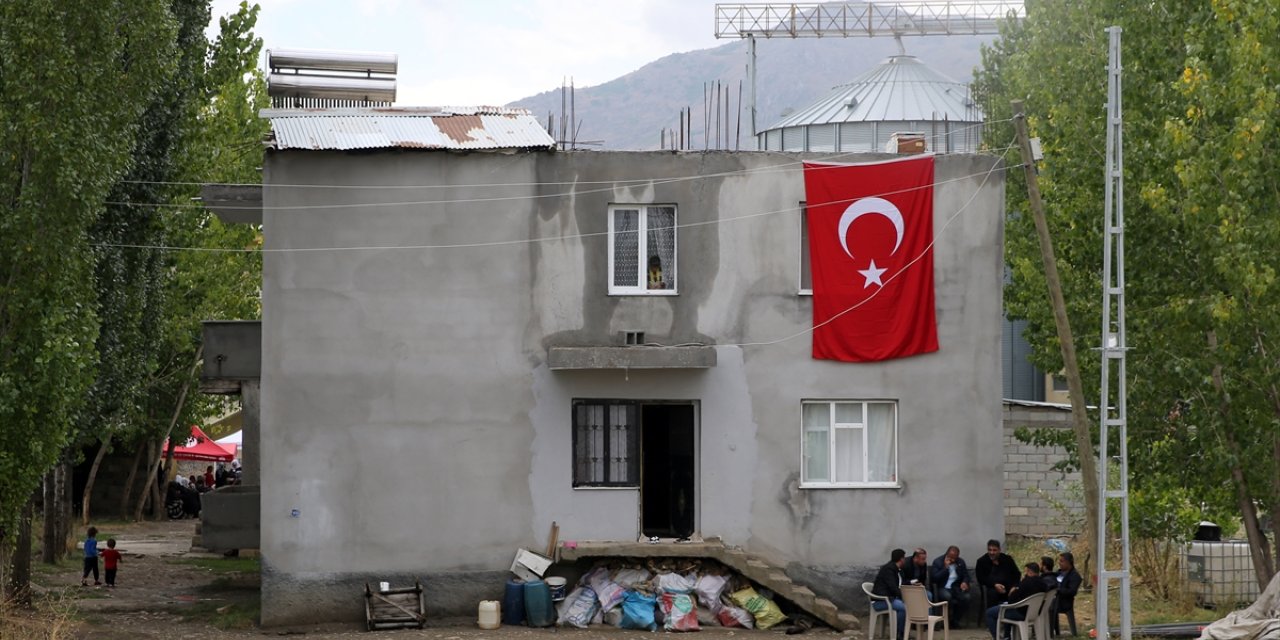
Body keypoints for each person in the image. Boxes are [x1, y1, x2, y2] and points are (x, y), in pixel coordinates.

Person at [985, 563, 1048, 640]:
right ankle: (1007, 636)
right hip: (1034, 613)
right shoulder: (1043, 583)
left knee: (989, 613)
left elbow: (1011, 600)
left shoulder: (1026, 582)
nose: (1025, 574)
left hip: (1020, 613)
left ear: (1029, 571)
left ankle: (998, 637)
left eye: (1026, 572)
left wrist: (1013, 591)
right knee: (1003, 606)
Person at [931, 545, 972, 627]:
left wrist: (964, 582)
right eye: (950, 557)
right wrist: (945, 568)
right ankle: (945, 621)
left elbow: (966, 576)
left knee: (967, 597)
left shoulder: (960, 562)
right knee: (947, 596)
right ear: (947, 554)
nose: (952, 560)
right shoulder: (938, 562)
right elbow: (934, 578)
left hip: (955, 587)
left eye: (954, 558)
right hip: (943, 587)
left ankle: (954, 621)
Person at [871, 548, 908, 640]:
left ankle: (901, 632)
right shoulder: (889, 570)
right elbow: (893, 588)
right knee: (904, 608)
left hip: (889, 599)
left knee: (906, 605)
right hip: (880, 601)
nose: (905, 560)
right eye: (904, 558)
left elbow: (901, 584)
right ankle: (898, 634)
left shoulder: (896, 569)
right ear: (901, 559)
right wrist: (905, 597)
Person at [975, 539, 1019, 607]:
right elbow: (981, 578)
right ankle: (993, 614)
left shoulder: (1007, 559)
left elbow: (1017, 574)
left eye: (994, 550)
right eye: (990, 550)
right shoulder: (981, 561)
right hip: (992, 588)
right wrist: (994, 585)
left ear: (999, 550)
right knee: (992, 593)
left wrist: (1014, 586)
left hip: (1008, 587)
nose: (992, 552)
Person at [1050, 552, 1082, 637]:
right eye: (1059, 561)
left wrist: (1058, 590)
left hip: (1064, 602)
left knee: (1047, 607)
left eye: (1062, 561)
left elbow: (1072, 591)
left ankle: (1049, 633)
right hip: (1055, 599)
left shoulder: (1074, 576)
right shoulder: (1059, 572)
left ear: (1069, 562)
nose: (1060, 563)